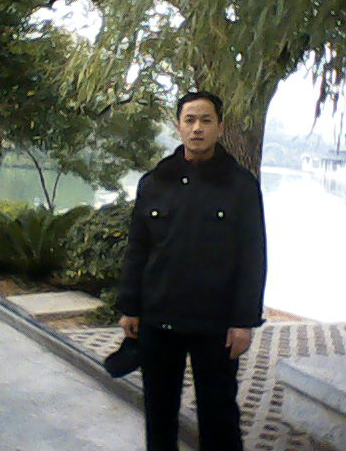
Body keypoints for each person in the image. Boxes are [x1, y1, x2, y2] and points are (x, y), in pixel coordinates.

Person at [117, 90, 267, 451]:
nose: (197, 128)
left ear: (220, 127)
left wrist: (243, 322)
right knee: (159, 414)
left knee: (219, 418)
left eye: (205, 120)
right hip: (159, 320)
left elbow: (253, 259)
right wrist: (129, 307)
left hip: (215, 325)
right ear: (178, 126)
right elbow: (137, 249)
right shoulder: (155, 182)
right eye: (190, 120)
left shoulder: (241, 186)